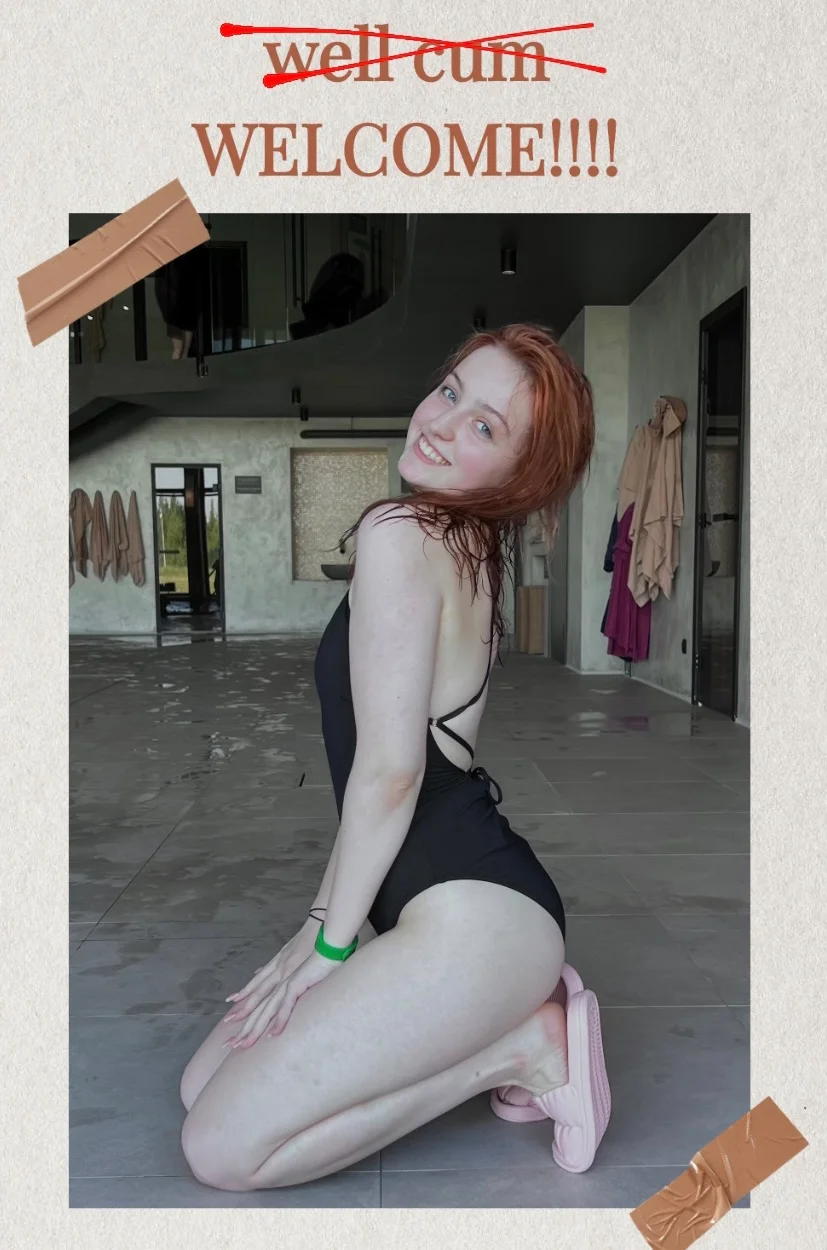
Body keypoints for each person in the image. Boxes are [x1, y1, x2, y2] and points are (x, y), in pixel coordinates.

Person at [179, 323, 611, 1192]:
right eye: (450, 391)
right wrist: (315, 923)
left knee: (219, 1151)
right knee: (200, 1091)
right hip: (467, 908)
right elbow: (382, 777)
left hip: (476, 924)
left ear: (520, 471)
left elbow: (392, 774)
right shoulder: (465, 542)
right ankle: (513, 1028)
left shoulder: (401, 529)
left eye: (484, 425)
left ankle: (525, 1048)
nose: (442, 424)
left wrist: (330, 948)